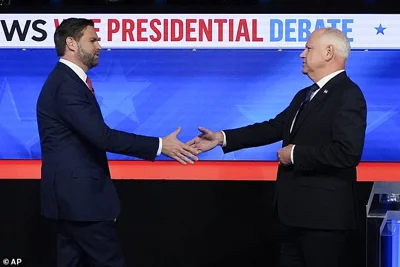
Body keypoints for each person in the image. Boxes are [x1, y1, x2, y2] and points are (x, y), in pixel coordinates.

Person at [187, 27, 367, 267]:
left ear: (328, 52)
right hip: (292, 217)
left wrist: (294, 153)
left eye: (308, 48)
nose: (302, 54)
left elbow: (347, 152)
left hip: (324, 221)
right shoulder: (305, 94)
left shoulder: (348, 94)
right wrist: (221, 138)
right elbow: (273, 127)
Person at [36, 18, 198, 267]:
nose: (99, 45)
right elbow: (102, 136)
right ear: (71, 43)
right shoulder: (66, 86)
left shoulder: (65, 81)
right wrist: (159, 145)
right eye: (93, 40)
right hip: (81, 203)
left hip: (71, 201)